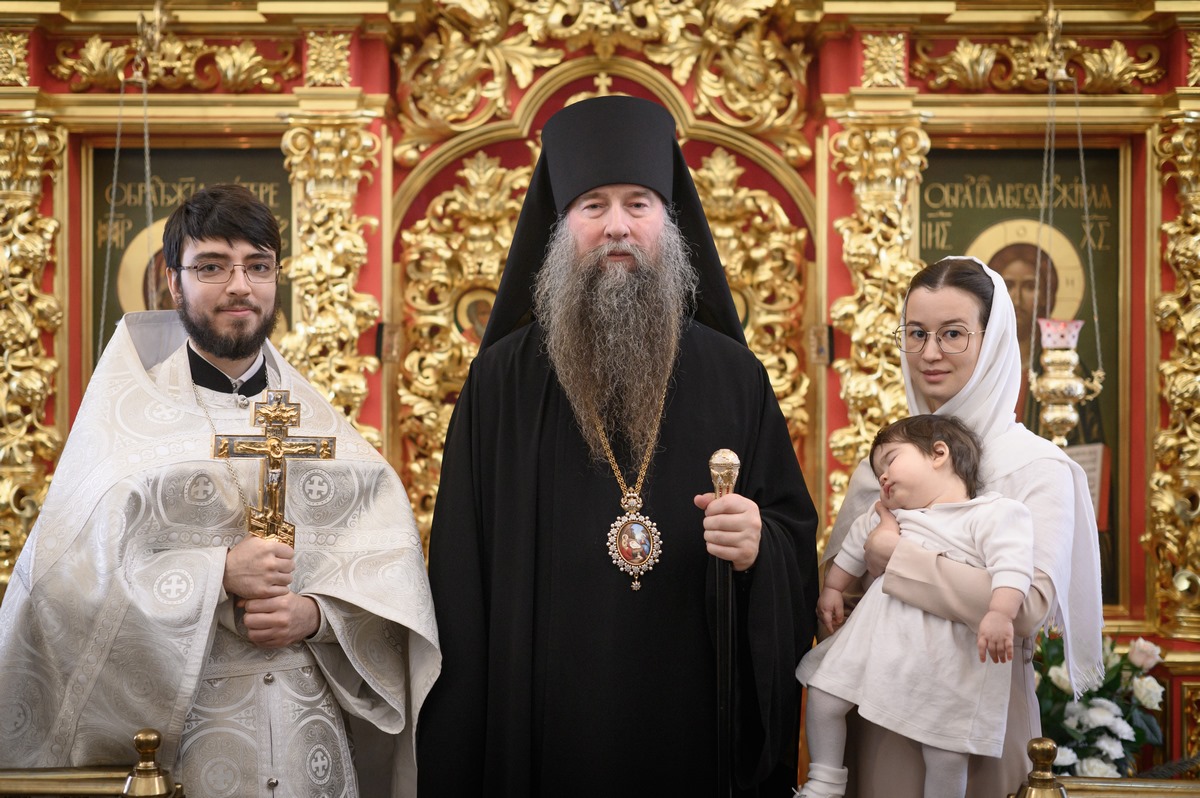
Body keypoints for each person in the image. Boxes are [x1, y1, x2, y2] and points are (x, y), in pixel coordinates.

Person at [416, 95, 819, 796]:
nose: (617, 227)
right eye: (593, 206)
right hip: (539, 723)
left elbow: (790, 534)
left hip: (693, 717)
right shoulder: (501, 381)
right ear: (560, 225)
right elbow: (460, 572)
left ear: (669, 220)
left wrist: (761, 544)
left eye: (638, 204)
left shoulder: (734, 374)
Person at [0, 184, 441, 797]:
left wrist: (316, 616)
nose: (240, 286)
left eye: (258, 266)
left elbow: (392, 584)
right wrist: (217, 573)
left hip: (308, 737)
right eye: (212, 267)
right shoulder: (126, 427)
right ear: (173, 282)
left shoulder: (324, 431)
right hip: (186, 744)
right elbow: (61, 592)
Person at [822, 255, 1104, 798]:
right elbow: (839, 597)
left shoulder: (1037, 467)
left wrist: (895, 558)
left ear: (992, 340)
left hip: (980, 719)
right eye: (917, 333)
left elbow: (1025, 609)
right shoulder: (882, 464)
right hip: (877, 709)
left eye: (953, 334)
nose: (930, 353)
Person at [796, 415, 1033, 798]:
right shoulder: (889, 516)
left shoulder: (991, 514)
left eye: (890, 460)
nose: (882, 476)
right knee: (824, 694)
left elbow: (1013, 566)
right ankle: (824, 781)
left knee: (945, 751)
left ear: (939, 453)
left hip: (946, 653)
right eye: (878, 470)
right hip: (878, 639)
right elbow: (854, 548)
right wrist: (834, 589)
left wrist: (1000, 612)